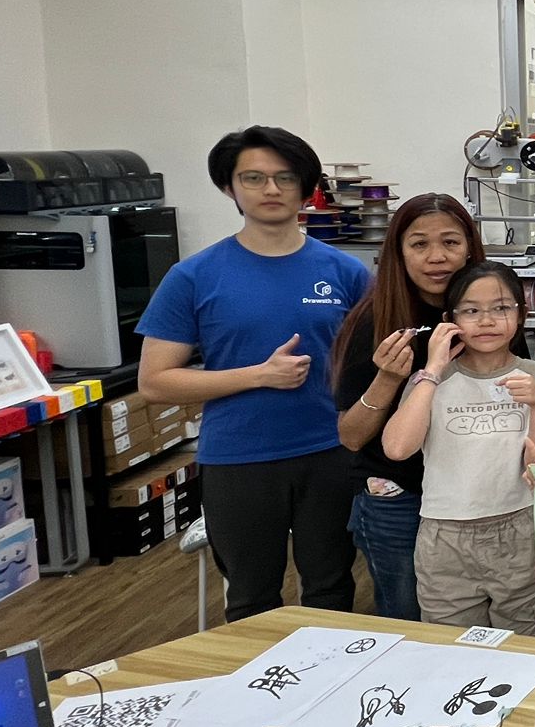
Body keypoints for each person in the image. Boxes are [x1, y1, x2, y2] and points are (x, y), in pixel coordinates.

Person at [137, 126, 370, 621]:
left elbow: (373, 364)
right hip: (239, 458)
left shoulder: (346, 273)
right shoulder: (194, 276)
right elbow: (155, 382)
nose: (271, 189)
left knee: (331, 588)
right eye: (254, 178)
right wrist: (258, 376)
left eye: (285, 178)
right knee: (251, 599)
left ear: (306, 188)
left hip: (329, 454)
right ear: (229, 187)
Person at [381, 261, 535, 641]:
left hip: (519, 527)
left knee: (523, 644)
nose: (486, 320)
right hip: (444, 535)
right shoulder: (430, 380)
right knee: (451, 648)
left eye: (501, 308)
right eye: (470, 310)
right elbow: (398, 448)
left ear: (522, 314)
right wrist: (433, 368)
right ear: (449, 321)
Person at [333, 193, 487, 620]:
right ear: (398, 252)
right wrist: (388, 378)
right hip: (400, 498)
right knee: (409, 619)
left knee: (467, 618)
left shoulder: (485, 315)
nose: (437, 257)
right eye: (419, 244)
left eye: (450, 242)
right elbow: (351, 436)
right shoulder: (376, 321)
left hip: (472, 497)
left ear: (469, 248)